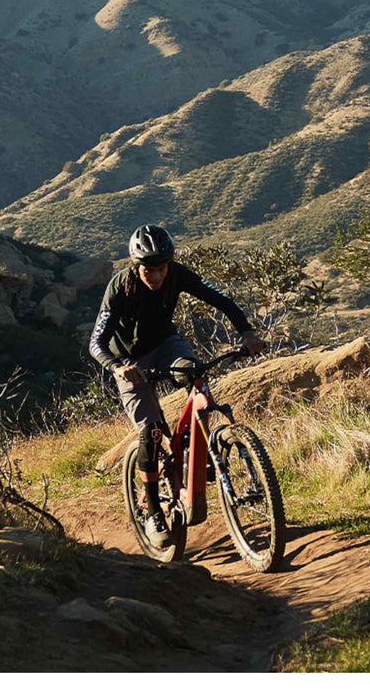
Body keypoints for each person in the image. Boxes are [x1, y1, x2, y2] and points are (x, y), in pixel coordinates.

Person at [89, 224, 264, 548]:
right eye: (148, 270)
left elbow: (220, 299)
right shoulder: (119, 288)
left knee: (195, 375)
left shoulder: (177, 275)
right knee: (152, 433)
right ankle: (154, 511)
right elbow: (96, 342)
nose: (155, 277)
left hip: (167, 344)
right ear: (135, 266)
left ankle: (200, 452)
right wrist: (118, 367)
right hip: (128, 361)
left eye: (161, 269)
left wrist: (247, 332)